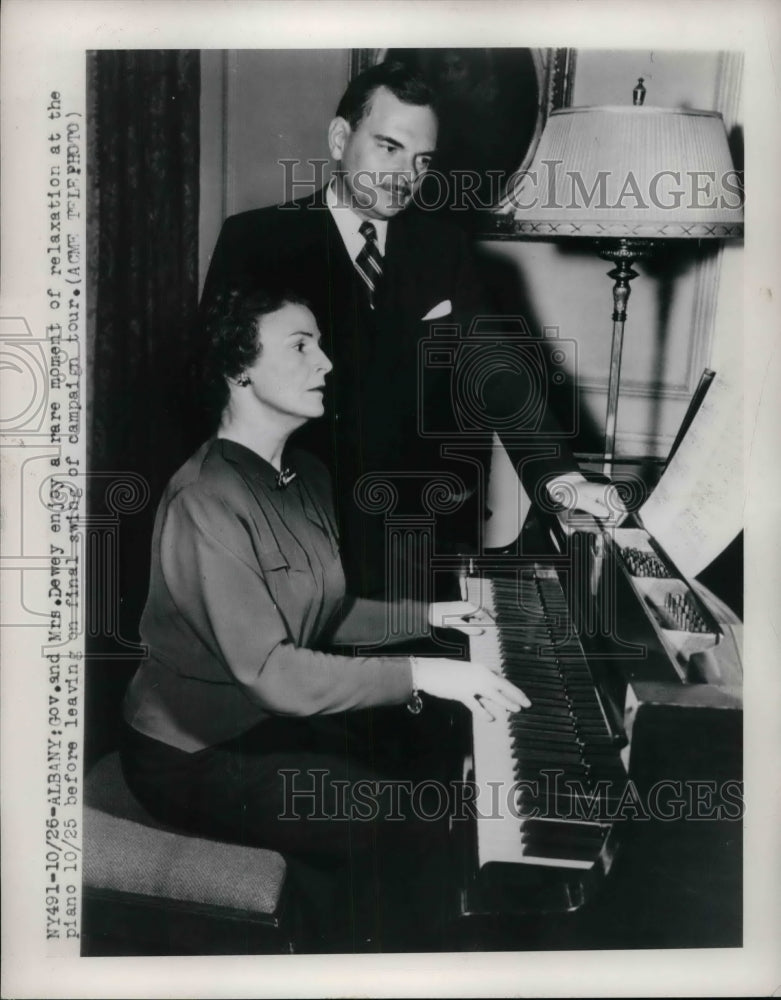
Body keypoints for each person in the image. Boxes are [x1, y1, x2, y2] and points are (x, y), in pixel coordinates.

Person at [120, 287, 529, 952]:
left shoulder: (304, 472)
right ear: (238, 369)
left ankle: (345, 932)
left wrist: (429, 615)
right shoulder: (204, 500)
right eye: (300, 346)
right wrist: (424, 671)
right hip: (191, 757)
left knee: (431, 765)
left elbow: (323, 612)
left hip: (268, 730)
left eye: (321, 342)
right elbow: (272, 674)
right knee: (418, 821)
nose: (326, 363)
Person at [198, 60, 624, 602]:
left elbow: (495, 366)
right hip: (293, 536)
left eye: (422, 159)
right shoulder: (256, 241)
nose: (406, 176)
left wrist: (559, 476)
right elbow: (212, 390)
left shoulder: (442, 250)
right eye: (389, 147)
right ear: (339, 138)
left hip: (418, 545)